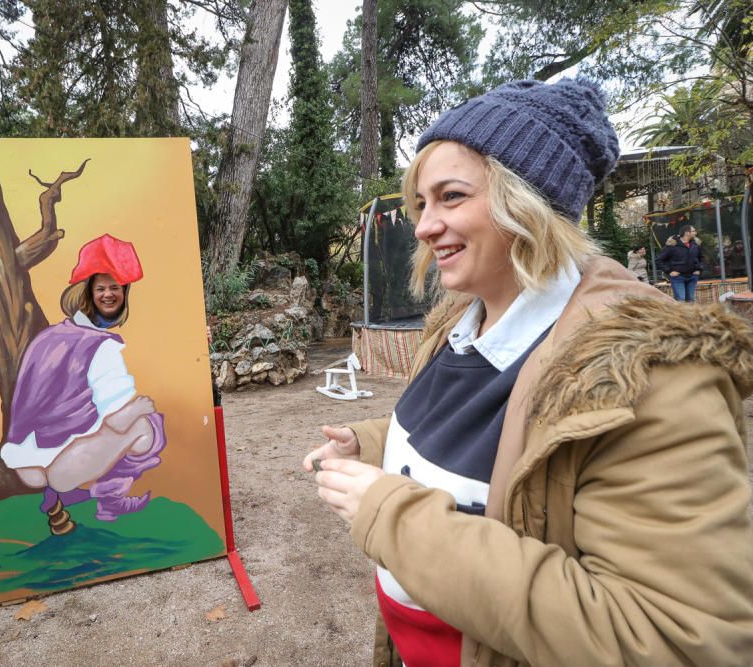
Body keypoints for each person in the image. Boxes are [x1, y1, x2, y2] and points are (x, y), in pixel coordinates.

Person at [305, 78, 753, 667]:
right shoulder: (457, 326)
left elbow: (674, 639)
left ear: (528, 201)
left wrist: (393, 517)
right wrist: (372, 441)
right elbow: (483, 435)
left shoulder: (646, 373)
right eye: (421, 203)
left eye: (452, 196)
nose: (423, 226)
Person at [0, 234, 166, 535]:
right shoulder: (102, 348)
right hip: (60, 467)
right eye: (101, 288)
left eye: (115, 287)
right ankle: (109, 498)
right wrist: (141, 406)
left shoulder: (51, 336)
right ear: (87, 292)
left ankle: (54, 501)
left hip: (28, 463)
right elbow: (117, 421)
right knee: (146, 425)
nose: (108, 294)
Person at [655, 225, 704, 301]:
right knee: (680, 299)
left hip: (692, 277)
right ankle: (681, 313)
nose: (696, 232)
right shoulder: (672, 245)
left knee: (691, 299)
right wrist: (669, 271)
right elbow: (658, 260)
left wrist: (699, 269)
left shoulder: (696, 244)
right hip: (678, 278)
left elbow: (701, 258)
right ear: (687, 233)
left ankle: (690, 313)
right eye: (694, 231)